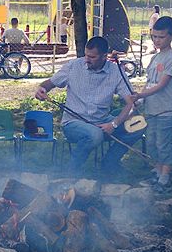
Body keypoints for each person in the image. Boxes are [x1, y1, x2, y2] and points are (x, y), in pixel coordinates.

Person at [34, 36, 143, 176]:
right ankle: (71, 171)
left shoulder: (116, 72)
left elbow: (131, 103)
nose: (87, 59)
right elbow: (49, 84)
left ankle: (109, 163)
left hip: (103, 121)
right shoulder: (73, 66)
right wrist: (41, 89)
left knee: (138, 126)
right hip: (73, 123)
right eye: (86, 55)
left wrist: (114, 124)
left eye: (92, 57)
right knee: (95, 134)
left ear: (104, 56)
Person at [134, 16, 172, 193]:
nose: (157, 40)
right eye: (154, 36)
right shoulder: (155, 57)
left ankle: (165, 179)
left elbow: (162, 85)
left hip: (165, 110)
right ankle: (157, 171)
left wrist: (141, 94)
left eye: (161, 37)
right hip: (151, 109)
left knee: (164, 144)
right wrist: (140, 98)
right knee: (152, 143)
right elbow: (149, 83)